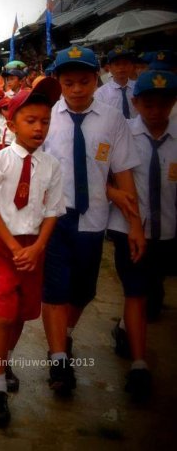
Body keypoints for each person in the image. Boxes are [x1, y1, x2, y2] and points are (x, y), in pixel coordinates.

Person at [41, 47, 143, 397]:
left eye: (84, 81)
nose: (77, 90)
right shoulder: (45, 119)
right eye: (68, 83)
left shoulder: (112, 119)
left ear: (96, 78)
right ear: (58, 82)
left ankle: (65, 334)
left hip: (93, 216)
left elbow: (124, 172)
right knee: (54, 290)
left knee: (84, 291)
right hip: (53, 218)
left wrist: (136, 227)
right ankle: (58, 360)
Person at [0, 78, 64, 427]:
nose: (39, 127)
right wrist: (14, 247)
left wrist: (38, 247)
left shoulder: (52, 166)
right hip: (1, 245)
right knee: (5, 314)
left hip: (33, 246)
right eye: (31, 120)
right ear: (11, 125)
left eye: (45, 121)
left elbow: (54, 210)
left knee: (24, 313)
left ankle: (6, 360)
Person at [107, 69, 176, 402]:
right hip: (128, 228)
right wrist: (114, 194)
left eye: (163, 103)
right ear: (135, 102)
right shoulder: (122, 134)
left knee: (150, 292)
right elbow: (99, 174)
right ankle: (139, 364)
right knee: (135, 290)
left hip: (169, 232)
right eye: (148, 103)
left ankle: (124, 327)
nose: (155, 110)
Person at [95, 46, 137, 119]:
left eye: (125, 63)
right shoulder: (101, 93)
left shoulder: (138, 88)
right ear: (109, 68)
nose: (121, 67)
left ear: (131, 66)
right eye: (117, 64)